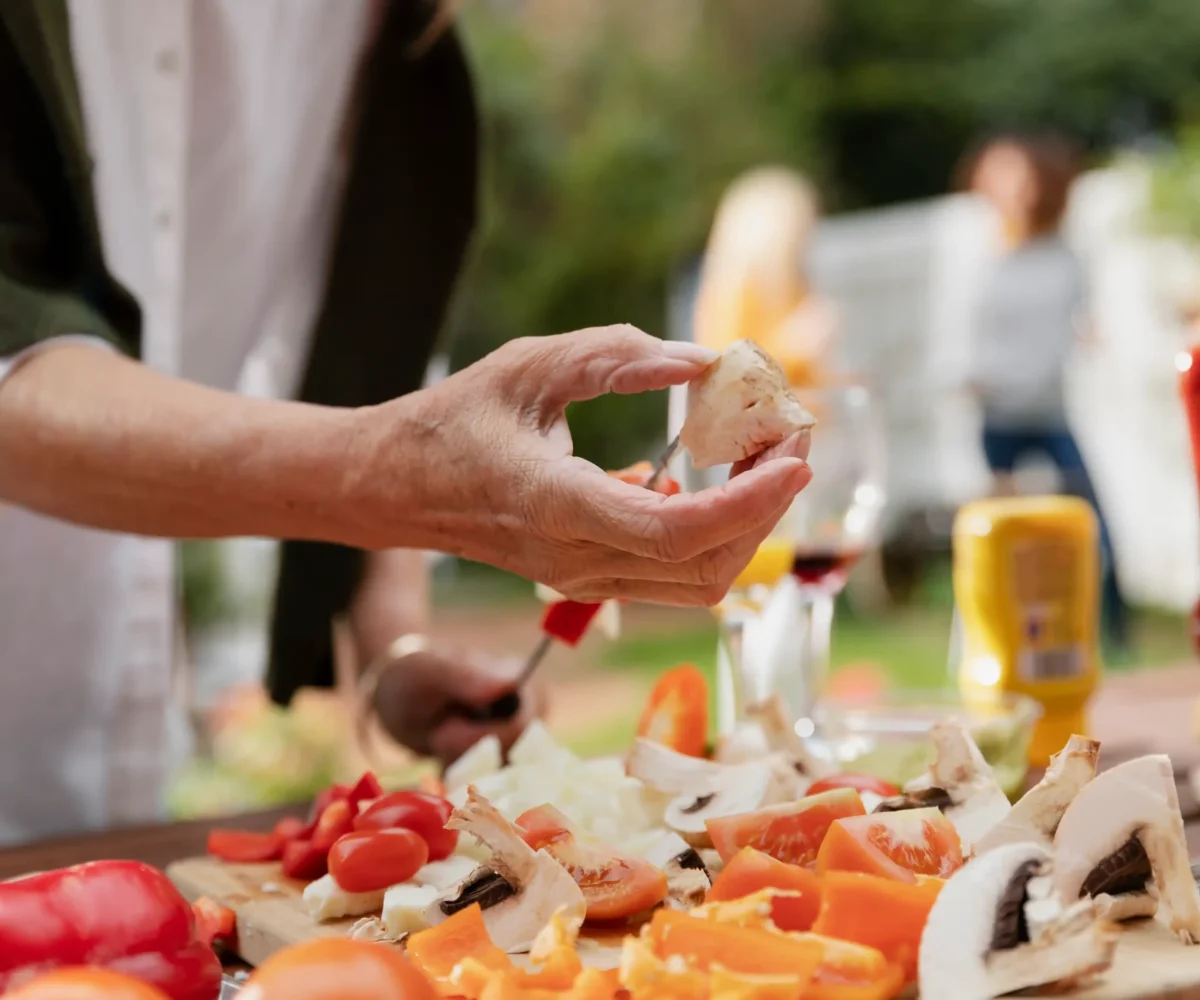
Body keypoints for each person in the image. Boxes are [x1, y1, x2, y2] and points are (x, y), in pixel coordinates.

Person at [0, 0, 811, 844]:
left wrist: (396, 648)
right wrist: (398, 475)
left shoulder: (395, 35)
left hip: (107, 784)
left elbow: (355, 365)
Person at [960, 131, 1130, 652]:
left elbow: (1085, 325)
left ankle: (1112, 632)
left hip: (1051, 411)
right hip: (999, 415)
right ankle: (1002, 636)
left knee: (1087, 520)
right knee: (999, 533)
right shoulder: (982, 255)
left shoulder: (1065, 257)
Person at [692, 166, 839, 389]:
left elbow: (807, 379)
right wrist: (795, 348)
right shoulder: (735, 293)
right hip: (766, 420)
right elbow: (729, 375)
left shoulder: (794, 285)